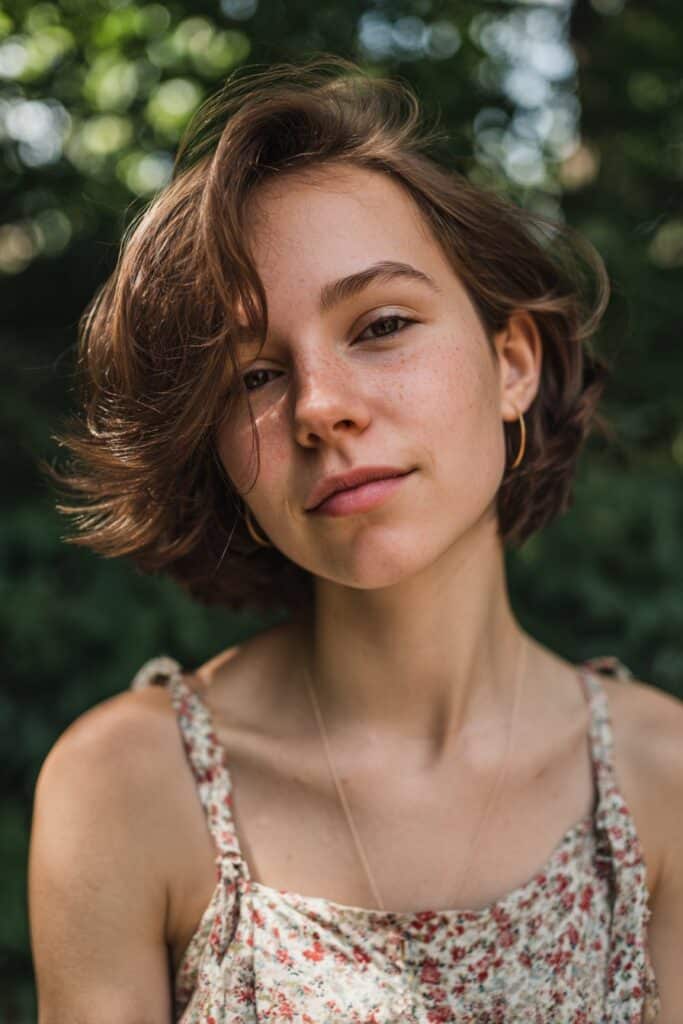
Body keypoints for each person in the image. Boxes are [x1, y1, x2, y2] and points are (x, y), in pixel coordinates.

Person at [28, 54, 681, 1023]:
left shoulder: (659, 778)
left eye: (378, 324)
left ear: (510, 363)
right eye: (252, 377)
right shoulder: (126, 791)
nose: (320, 408)